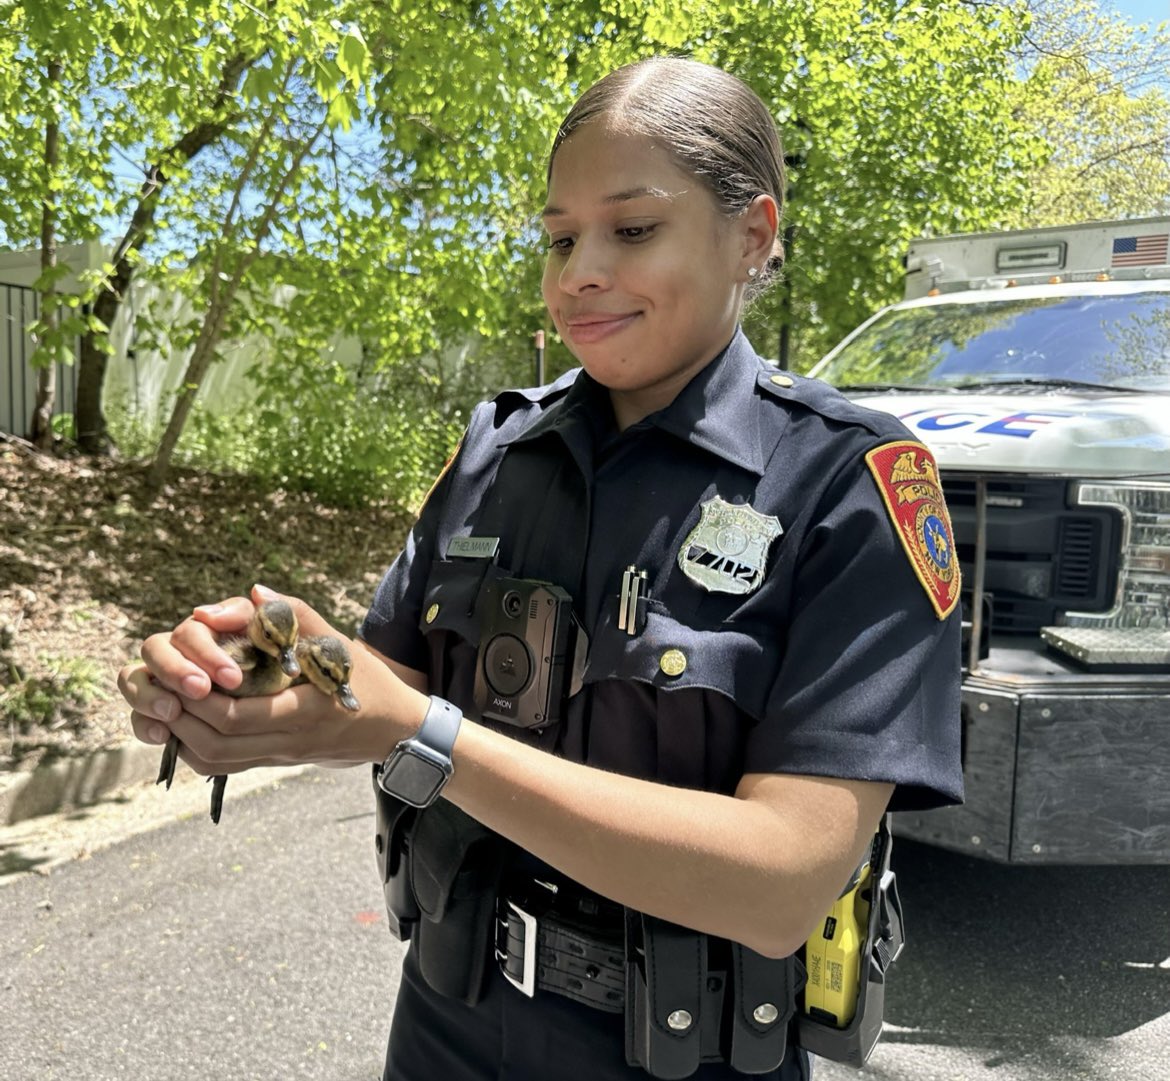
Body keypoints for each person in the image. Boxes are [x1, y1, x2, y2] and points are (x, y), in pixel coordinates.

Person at [118, 56, 963, 1081]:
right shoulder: (495, 447)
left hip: (680, 1057)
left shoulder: (847, 483)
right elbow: (382, 680)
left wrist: (422, 734)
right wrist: (249, 670)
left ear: (755, 233)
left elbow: (781, 882)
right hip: (445, 1019)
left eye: (632, 229)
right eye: (559, 237)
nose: (579, 272)